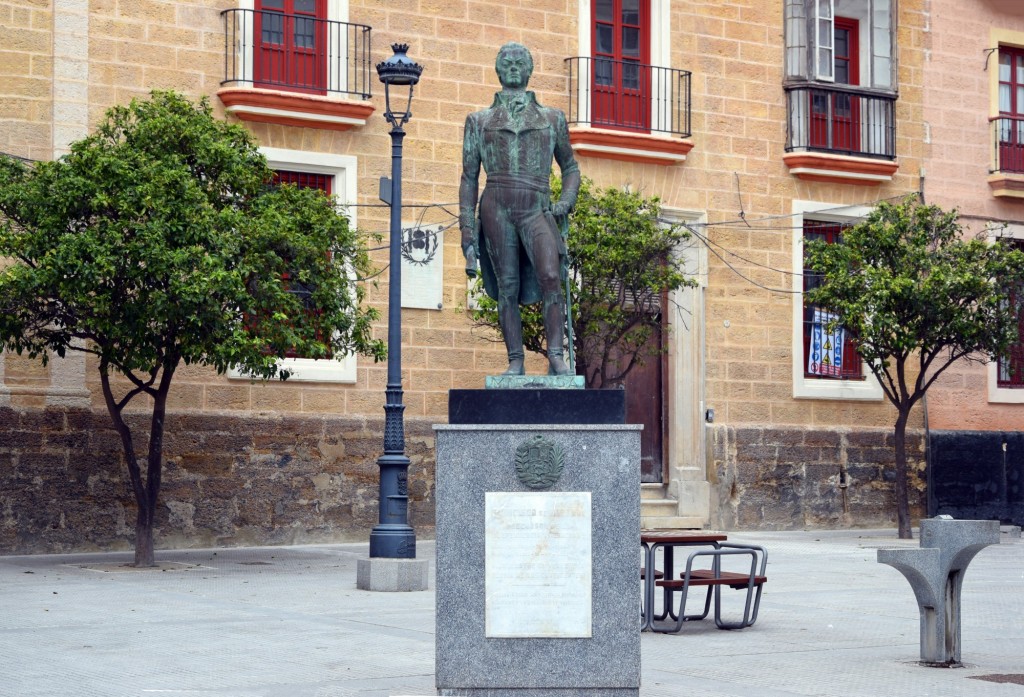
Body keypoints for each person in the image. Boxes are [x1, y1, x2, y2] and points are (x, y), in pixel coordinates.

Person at [459, 42, 581, 376]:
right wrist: (467, 231)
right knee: (507, 286)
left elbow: (570, 168)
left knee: (551, 277)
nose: (514, 67)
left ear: (529, 70)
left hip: (536, 205)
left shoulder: (551, 118)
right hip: (496, 204)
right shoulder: (479, 121)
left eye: (520, 62)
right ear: (498, 70)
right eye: (507, 63)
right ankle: (516, 360)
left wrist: (565, 203)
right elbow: (469, 179)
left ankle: (556, 356)